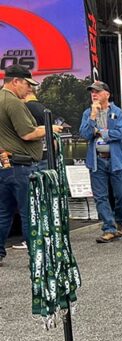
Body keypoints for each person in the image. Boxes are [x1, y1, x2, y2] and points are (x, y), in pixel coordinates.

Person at [0, 66, 60, 266]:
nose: (29, 89)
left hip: (5, 165)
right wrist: (49, 128)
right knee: (30, 212)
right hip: (20, 166)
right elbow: (27, 134)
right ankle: (37, 256)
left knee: (4, 211)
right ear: (15, 81)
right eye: (27, 84)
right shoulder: (13, 103)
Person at [79, 81, 122, 243]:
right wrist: (92, 117)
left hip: (116, 160)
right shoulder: (87, 113)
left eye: (98, 91)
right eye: (92, 92)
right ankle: (109, 228)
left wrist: (99, 132)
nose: (94, 94)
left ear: (107, 94)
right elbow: (85, 134)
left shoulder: (117, 112)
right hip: (97, 161)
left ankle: (119, 221)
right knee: (100, 196)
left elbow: (119, 133)